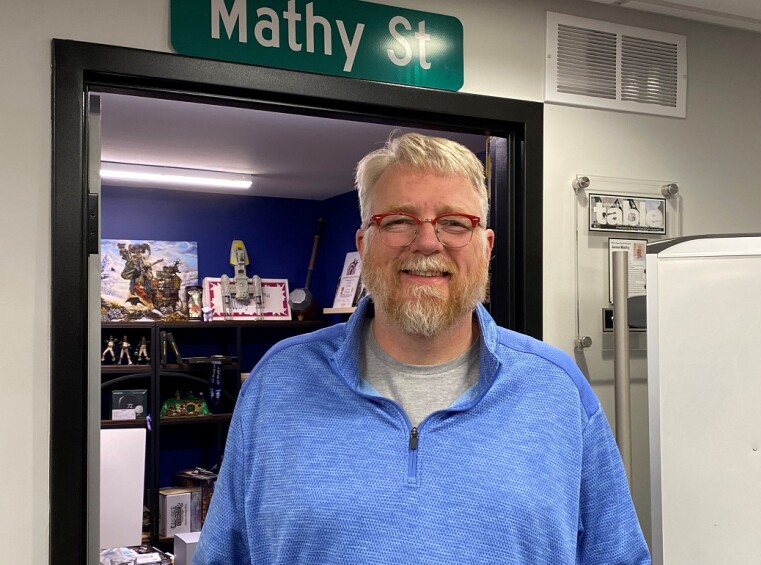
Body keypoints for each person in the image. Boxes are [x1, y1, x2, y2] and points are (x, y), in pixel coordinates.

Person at [193, 133, 650, 564]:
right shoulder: (280, 381)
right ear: (362, 244)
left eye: (455, 223)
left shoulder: (556, 388)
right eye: (398, 221)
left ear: (486, 247)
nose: (428, 242)